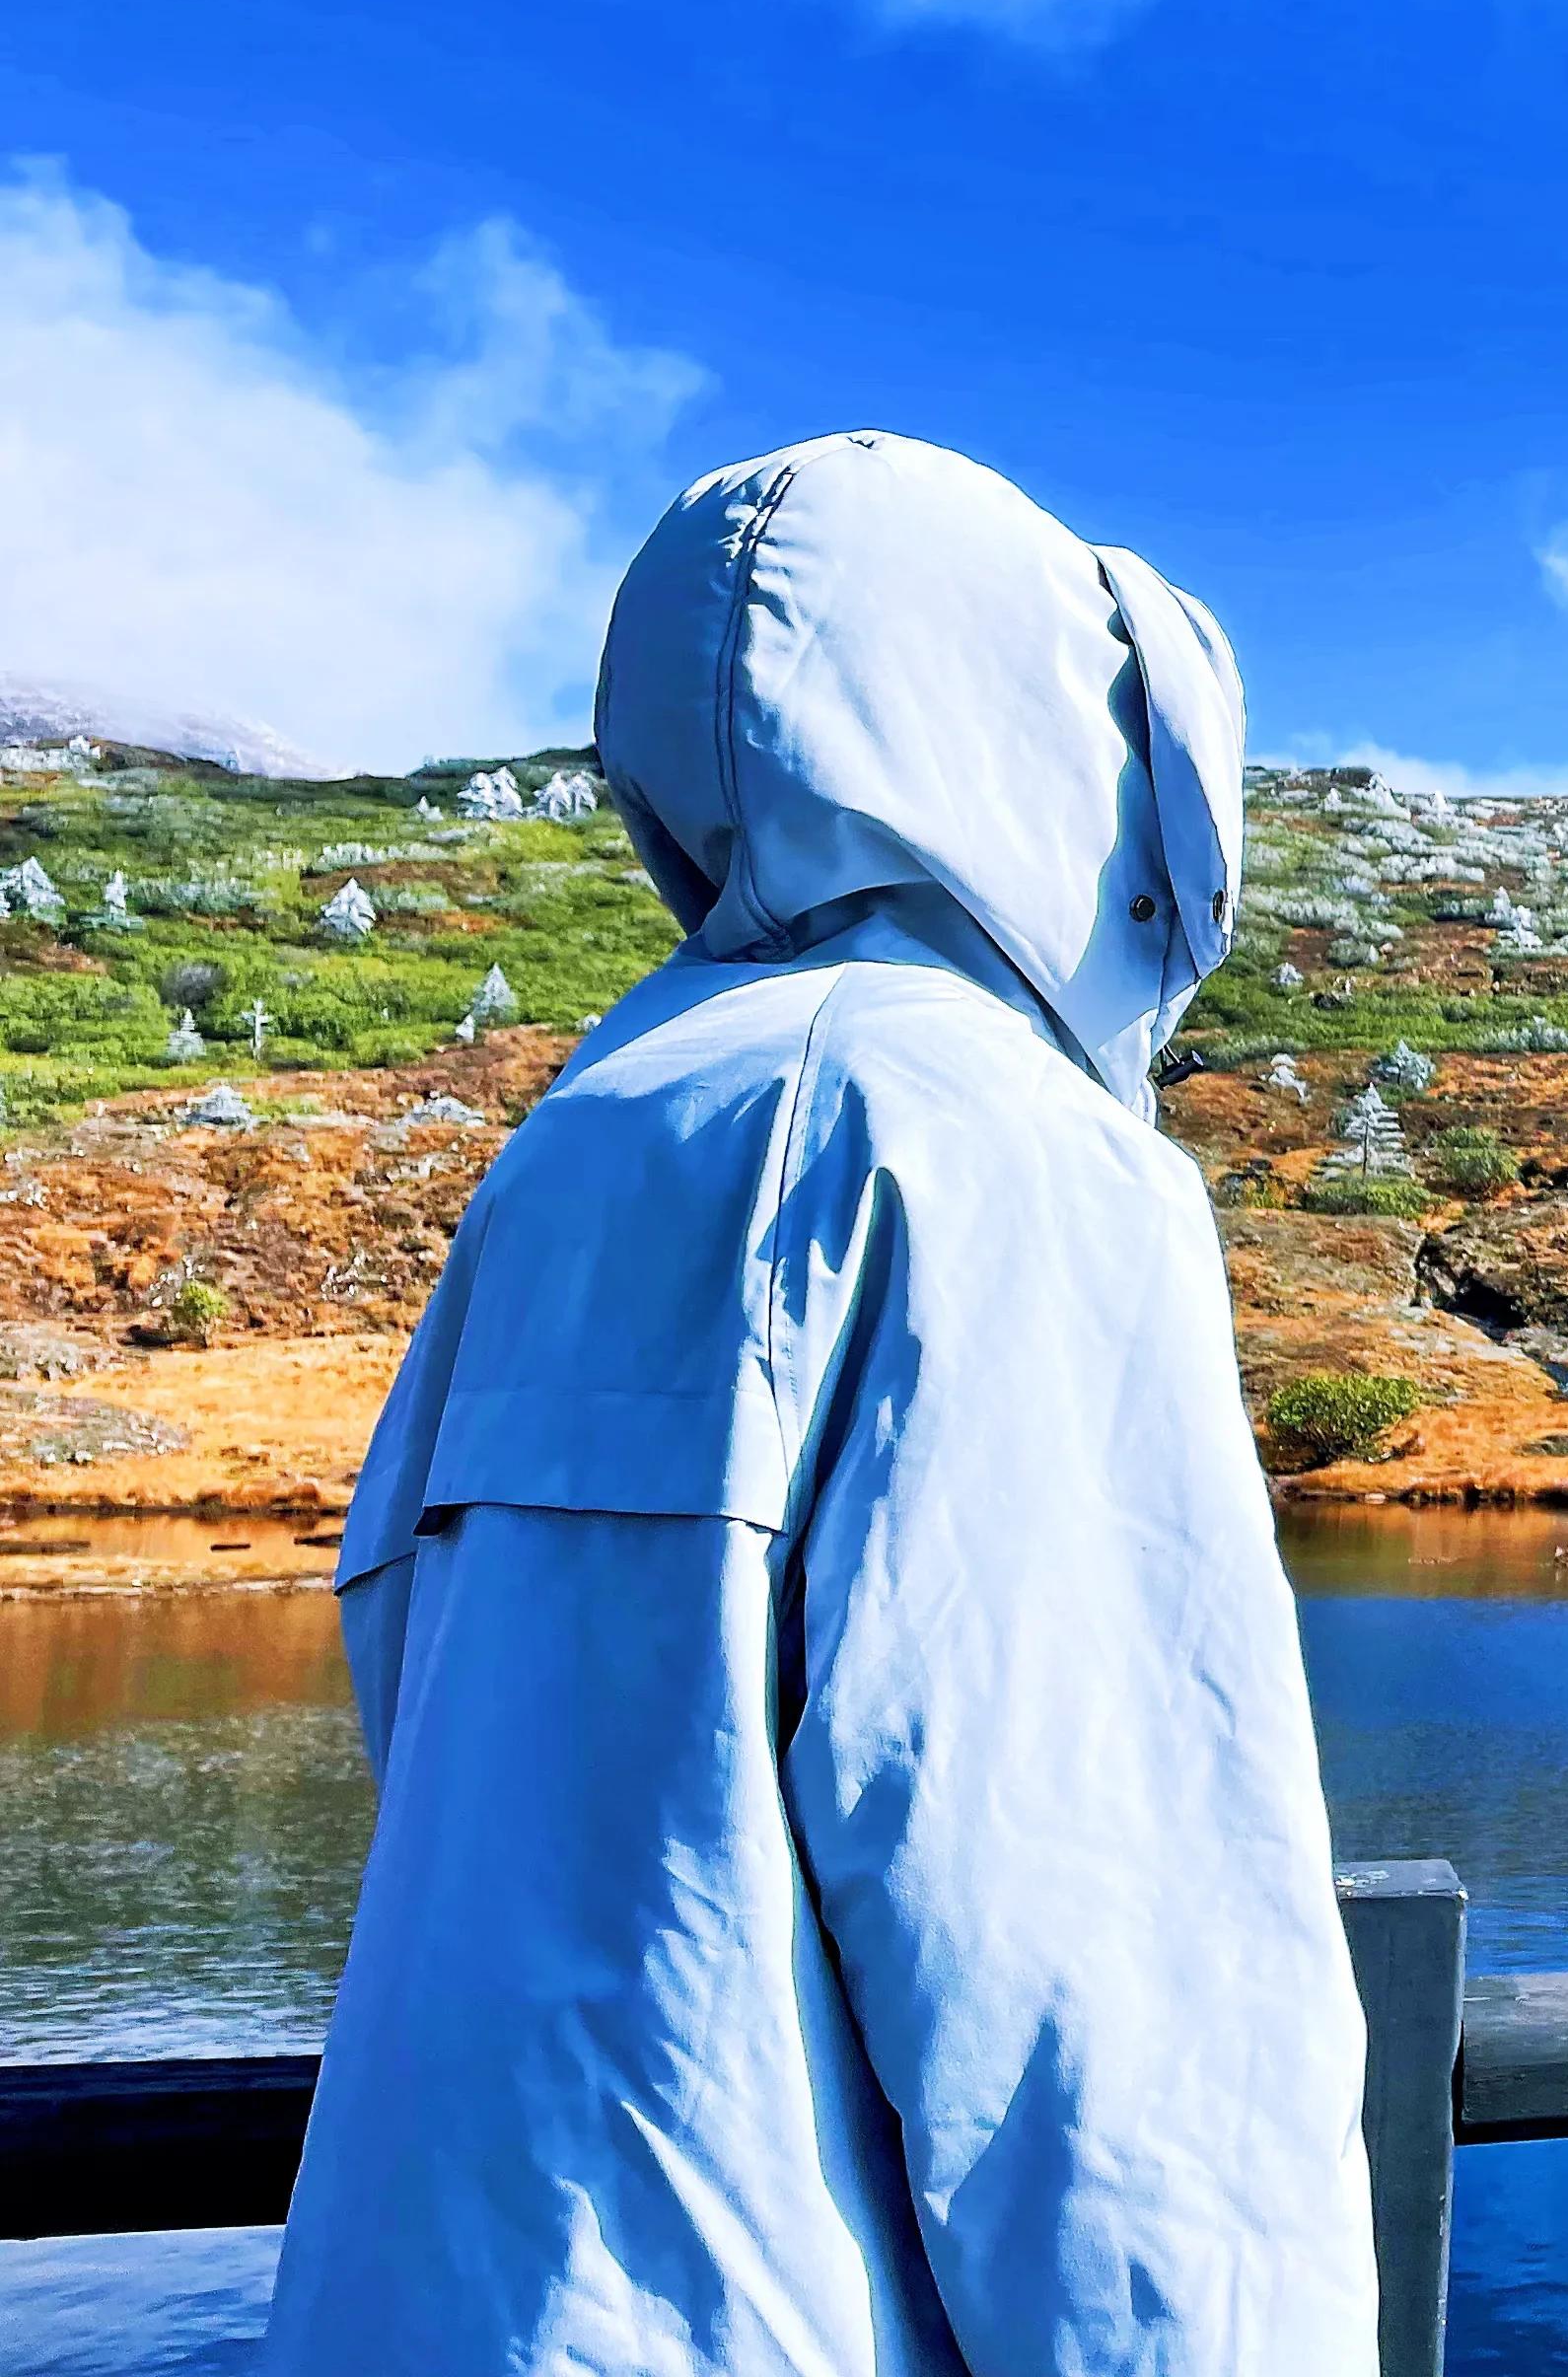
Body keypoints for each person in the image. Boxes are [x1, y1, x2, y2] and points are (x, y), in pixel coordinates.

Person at [259, 433, 1379, 2377]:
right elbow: (1112, 2007)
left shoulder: (583, 1132)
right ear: (1071, 747)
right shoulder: (995, 1154)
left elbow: (417, 1679)